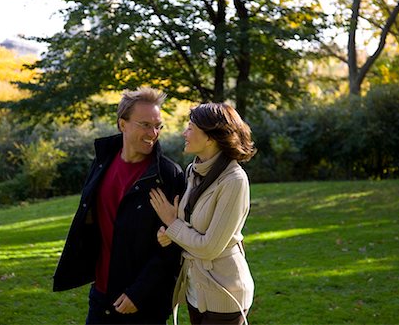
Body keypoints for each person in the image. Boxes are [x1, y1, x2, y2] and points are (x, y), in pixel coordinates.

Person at [53, 87, 186, 324]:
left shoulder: (168, 175)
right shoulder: (103, 161)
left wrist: (139, 292)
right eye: (145, 124)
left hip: (144, 303)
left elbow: (173, 245)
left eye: (158, 126)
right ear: (122, 124)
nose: (153, 133)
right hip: (100, 296)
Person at [149, 103, 256, 325]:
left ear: (210, 138)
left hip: (224, 292)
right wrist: (170, 232)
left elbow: (209, 247)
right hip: (195, 289)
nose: (184, 133)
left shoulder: (234, 181)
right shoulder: (193, 171)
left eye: (190, 128)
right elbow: (189, 226)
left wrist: (171, 223)